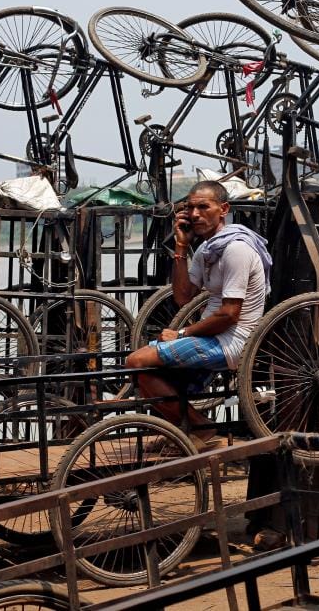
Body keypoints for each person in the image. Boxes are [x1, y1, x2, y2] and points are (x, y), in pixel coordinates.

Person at [125, 180, 270, 450]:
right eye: (190, 208)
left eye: (204, 207)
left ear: (223, 209)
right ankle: (184, 431)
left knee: (137, 361)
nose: (194, 214)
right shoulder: (208, 249)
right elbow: (183, 297)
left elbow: (229, 315)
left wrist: (181, 334)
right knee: (144, 372)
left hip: (232, 342)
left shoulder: (236, 249)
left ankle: (201, 428)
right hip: (212, 336)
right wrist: (181, 248)